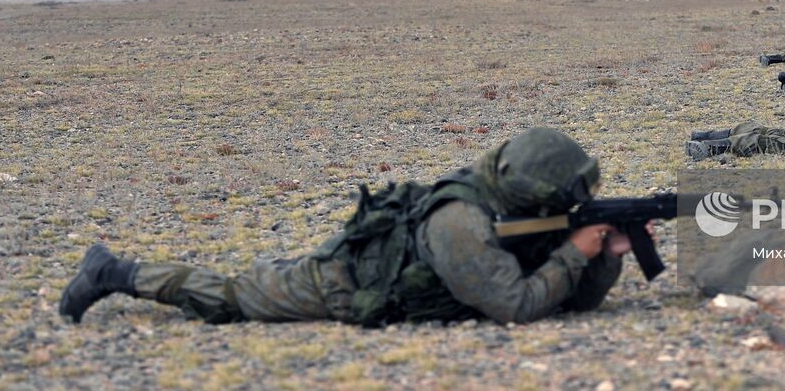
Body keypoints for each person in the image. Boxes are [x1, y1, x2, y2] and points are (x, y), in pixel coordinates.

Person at [59, 128, 637, 327]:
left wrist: (602, 255)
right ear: (534, 191)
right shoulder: (460, 222)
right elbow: (515, 304)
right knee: (236, 295)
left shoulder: (514, 210)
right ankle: (114, 271)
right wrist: (571, 254)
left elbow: (571, 304)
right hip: (347, 285)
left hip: (400, 278)